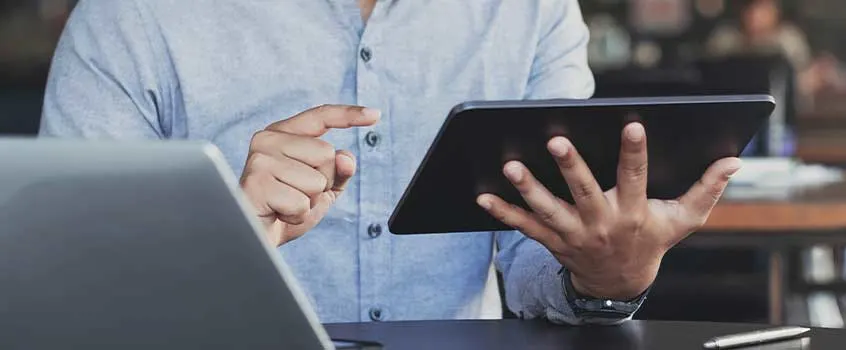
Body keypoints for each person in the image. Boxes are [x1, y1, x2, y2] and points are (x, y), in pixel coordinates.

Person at [38, 0, 742, 326]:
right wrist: (215, 243)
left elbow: (535, 260)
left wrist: (604, 277)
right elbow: (56, 296)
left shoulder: (532, 11)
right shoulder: (128, 19)